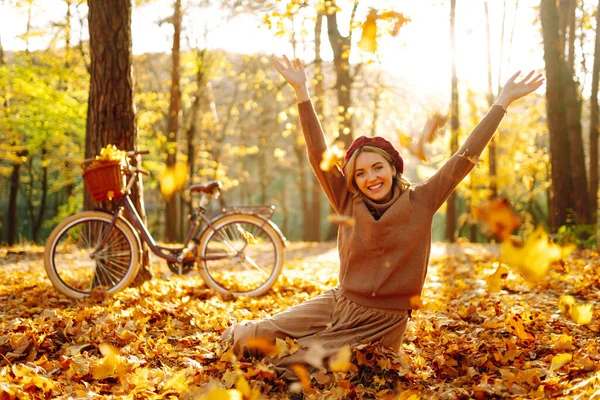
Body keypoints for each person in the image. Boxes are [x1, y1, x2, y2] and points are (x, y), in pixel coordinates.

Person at [222, 55, 544, 380]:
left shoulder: (422, 200)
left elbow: (464, 157)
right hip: (339, 301)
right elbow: (318, 154)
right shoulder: (347, 201)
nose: (370, 177)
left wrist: (502, 102)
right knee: (252, 337)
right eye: (360, 173)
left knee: (294, 371)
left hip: (383, 321)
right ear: (353, 180)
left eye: (377, 167)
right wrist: (302, 92)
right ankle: (245, 340)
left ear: (393, 167)